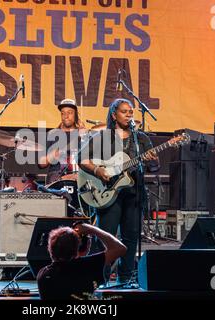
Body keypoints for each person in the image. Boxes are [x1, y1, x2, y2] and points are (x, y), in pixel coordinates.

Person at [78, 98, 159, 284]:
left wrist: (153, 162)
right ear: (114, 115)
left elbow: (154, 167)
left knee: (131, 237)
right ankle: (100, 278)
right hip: (107, 194)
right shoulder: (102, 137)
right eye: (124, 111)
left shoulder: (141, 139)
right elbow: (81, 158)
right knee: (105, 237)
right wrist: (98, 170)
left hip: (133, 194)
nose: (129, 114)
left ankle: (125, 278)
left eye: (131, 111)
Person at [37, 222, 126, 300]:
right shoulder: (87, 266)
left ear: (50, 249)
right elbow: (120, 248)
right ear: (76, 249)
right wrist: (93, 229)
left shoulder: (43, 275)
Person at [38, 98, 85, 184]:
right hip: (56, 178)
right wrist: (52, 155)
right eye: (63, 113)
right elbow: (41, 164)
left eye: (70, 113)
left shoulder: (82, 134)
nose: (66, 116)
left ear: (76, 115)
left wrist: (84, 137)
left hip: (79, 178)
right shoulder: (52, 134)